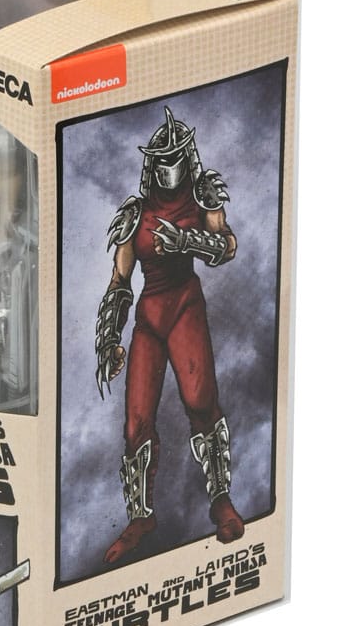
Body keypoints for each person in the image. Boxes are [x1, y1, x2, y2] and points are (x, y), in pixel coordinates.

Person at [95, 107, 245, 565]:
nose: (167, 168)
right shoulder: (135, 214)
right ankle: (140, 518)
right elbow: (120, 281)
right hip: (150, 317)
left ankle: (221, 500)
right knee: (136, 422)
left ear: (187, 156)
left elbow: (227, 246)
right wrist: (109, 339)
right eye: (159, 160)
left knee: (200, 401)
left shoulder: (203, 195)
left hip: (185, 306)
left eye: (173, 158)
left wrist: (187, 242)